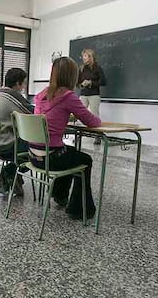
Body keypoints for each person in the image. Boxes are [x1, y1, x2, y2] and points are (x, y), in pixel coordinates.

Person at [31, 57, 101, 220]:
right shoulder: (69, 96)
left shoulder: (41, 95)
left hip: (34, 155)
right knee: (85, 160)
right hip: (52, 158)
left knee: (69, 152)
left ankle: (60, 195)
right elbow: (92, 122)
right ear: (72, 76)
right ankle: (78, 209)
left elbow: (47, 118)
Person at [0, 68, 34, 161]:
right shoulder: (13, 95)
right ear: (18, 83)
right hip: (4, 145)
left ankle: (11, 172)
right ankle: (12, 171)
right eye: (24, 83)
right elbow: (34, 113)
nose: (24, 87)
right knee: (39, 145)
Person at [78, 49, 106, 144]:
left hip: (94, 94)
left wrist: (91, 83)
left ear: (90, 57)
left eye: (85, 56)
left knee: (94, 115)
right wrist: (82, 84)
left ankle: (97, 136)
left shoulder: (97, 68)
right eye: (83, 56)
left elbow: (103, 82)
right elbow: (77, 82)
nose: (83, 58)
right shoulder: (81, 68)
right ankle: (78, 135)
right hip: (83, 94)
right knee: (79, 114)